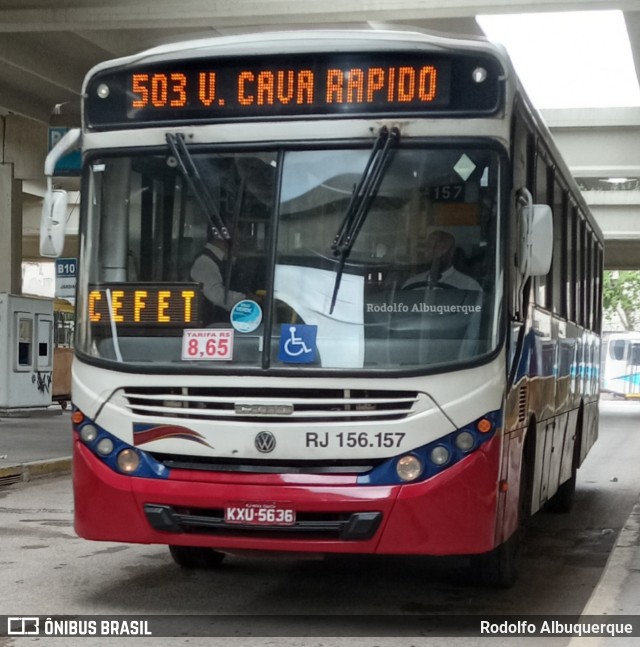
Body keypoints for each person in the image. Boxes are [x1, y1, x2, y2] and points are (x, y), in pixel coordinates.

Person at [190, 231, 246, 321]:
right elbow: (216, 295)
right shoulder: (204, 262)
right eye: (233, 231)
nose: (240, 237)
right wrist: (246, 300)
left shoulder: (226, 260)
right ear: (218, 235)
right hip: (212, 326)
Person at [402, 229, 481, 291]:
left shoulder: (469, 286)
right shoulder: (412, 283)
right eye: (429, 247)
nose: (433, 252)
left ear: (451, 251)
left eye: (439, 247)